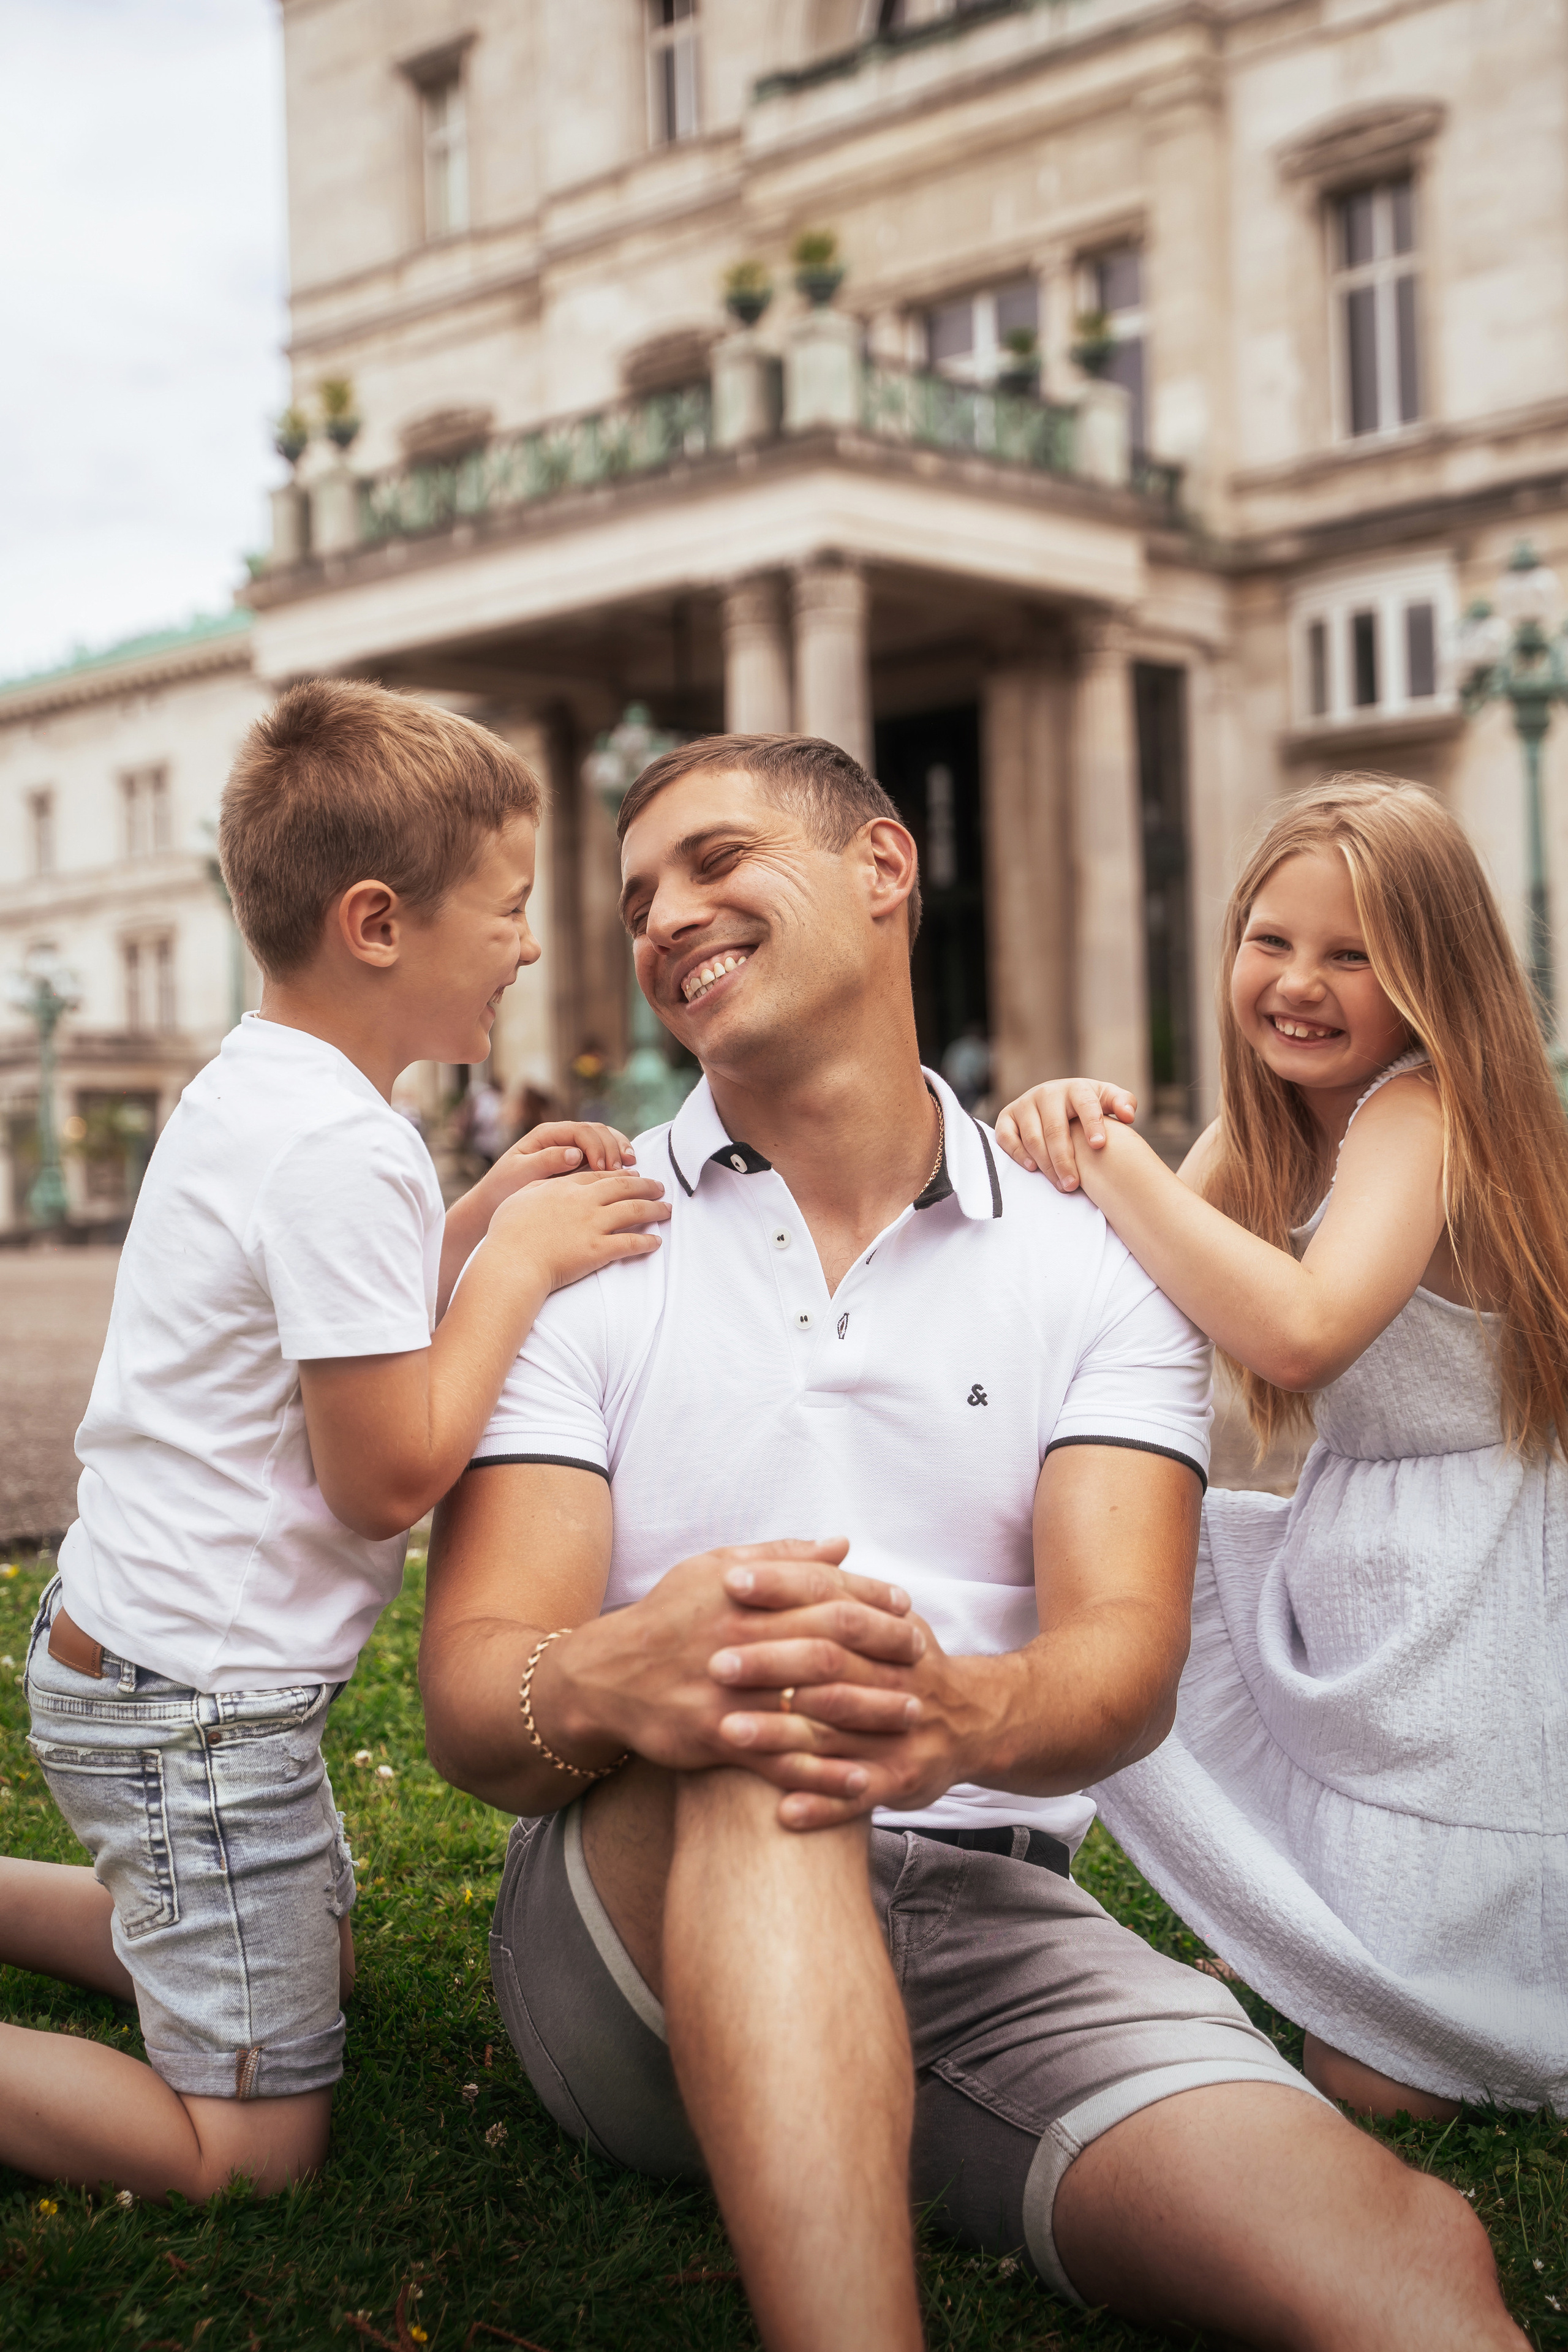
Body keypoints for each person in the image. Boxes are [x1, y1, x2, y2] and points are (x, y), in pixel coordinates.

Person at [419, 734, 1521, 2352]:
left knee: (1408, 2270)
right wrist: (605, 1679)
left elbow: (1120, 1664)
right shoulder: (578, 1246)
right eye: (639, 893)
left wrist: (959, 1719)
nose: (664, 916)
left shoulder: (1094, 1258)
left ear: (884, 869)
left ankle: (900, 2108)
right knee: (774, 1691)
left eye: (718, 863)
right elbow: (470, 1699)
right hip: (631, 1931)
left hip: (989, 1927)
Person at [2, 680, 668, 2205]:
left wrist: (474, 1219)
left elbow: (325, 1332)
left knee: (321, 1965)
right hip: (195, 1710)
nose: (530, 940)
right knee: (251, 2153)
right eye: (503, 907)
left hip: (144, 1655)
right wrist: (515, 1271)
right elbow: (384, 1473)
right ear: (377, 923)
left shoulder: (264, 1089)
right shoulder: (340, 1141)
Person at [996, 772, 1568, 2124]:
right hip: (1370, 1551)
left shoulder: (1418, 1110)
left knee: (1387, 2081)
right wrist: (1065, 1142)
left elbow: (1303, 1331)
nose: (1296, 983)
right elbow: (1101, 1292)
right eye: (1270, 940)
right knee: (1111, 1557)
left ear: (1431, 981)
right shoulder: (1274, 1129)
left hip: (1484, 1574)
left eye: (1350, 955)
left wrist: (1113, 1160)